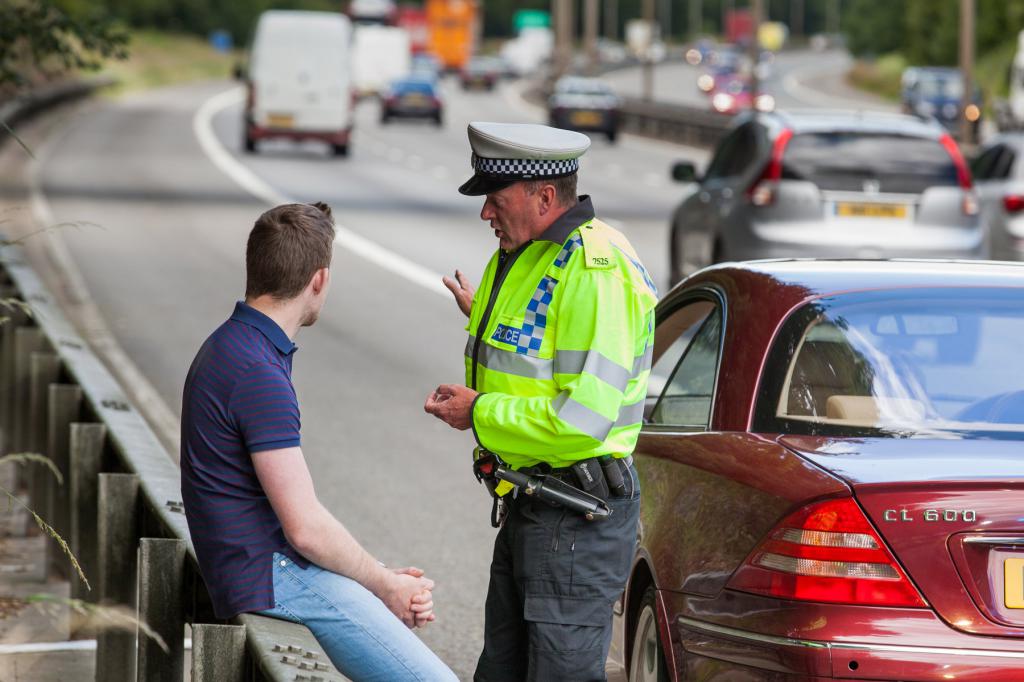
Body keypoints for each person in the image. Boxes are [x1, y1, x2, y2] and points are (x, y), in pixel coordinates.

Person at [181, 202, 456, 682]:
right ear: (319, 280)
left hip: (255, 567)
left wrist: (380, 577)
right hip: (271, 577)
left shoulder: (233, 344)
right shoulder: (258, 373)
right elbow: (304, 529)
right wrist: (385, 585)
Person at [425, 123, 659, 681]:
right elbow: (536, 343)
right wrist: (479, 313)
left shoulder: (597, 270)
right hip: (539, 506)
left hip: (575, 519)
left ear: (545, 197)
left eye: (495, 199)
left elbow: (583, 419)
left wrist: (476, 411)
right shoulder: (535, 251)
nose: (486, 213)